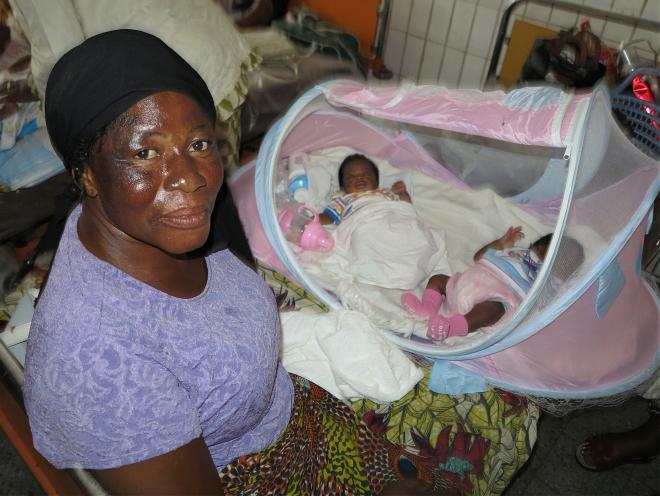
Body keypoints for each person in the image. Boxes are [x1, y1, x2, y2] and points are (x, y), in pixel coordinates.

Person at [22, 29, 447, 495]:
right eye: (145, 152)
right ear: (87, 174)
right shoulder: (99, 363)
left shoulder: (167, 230)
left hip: (295, 417)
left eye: (199, 144)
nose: (189, 176)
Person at [402, 227, 554, 341]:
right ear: (537, 245)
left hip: (496, 297)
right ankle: (427, 310)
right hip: (464, 286)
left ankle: (450, 327)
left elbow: (544, 301)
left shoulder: (543, 276)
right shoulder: (514, 252)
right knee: (438, 279)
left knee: (494, 309)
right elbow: (479, 257)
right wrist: (500, 243)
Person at [319, 153, 411, 225]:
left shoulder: (386, 193)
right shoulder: (343, 200)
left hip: (388, 218)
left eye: (366, 174)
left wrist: (402, 193)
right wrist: (315, 220)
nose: (359, 178)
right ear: (343, 187)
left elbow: (405, 208)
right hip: (361, 224)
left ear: (376, 182)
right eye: (351, 177)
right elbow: (329, 216)